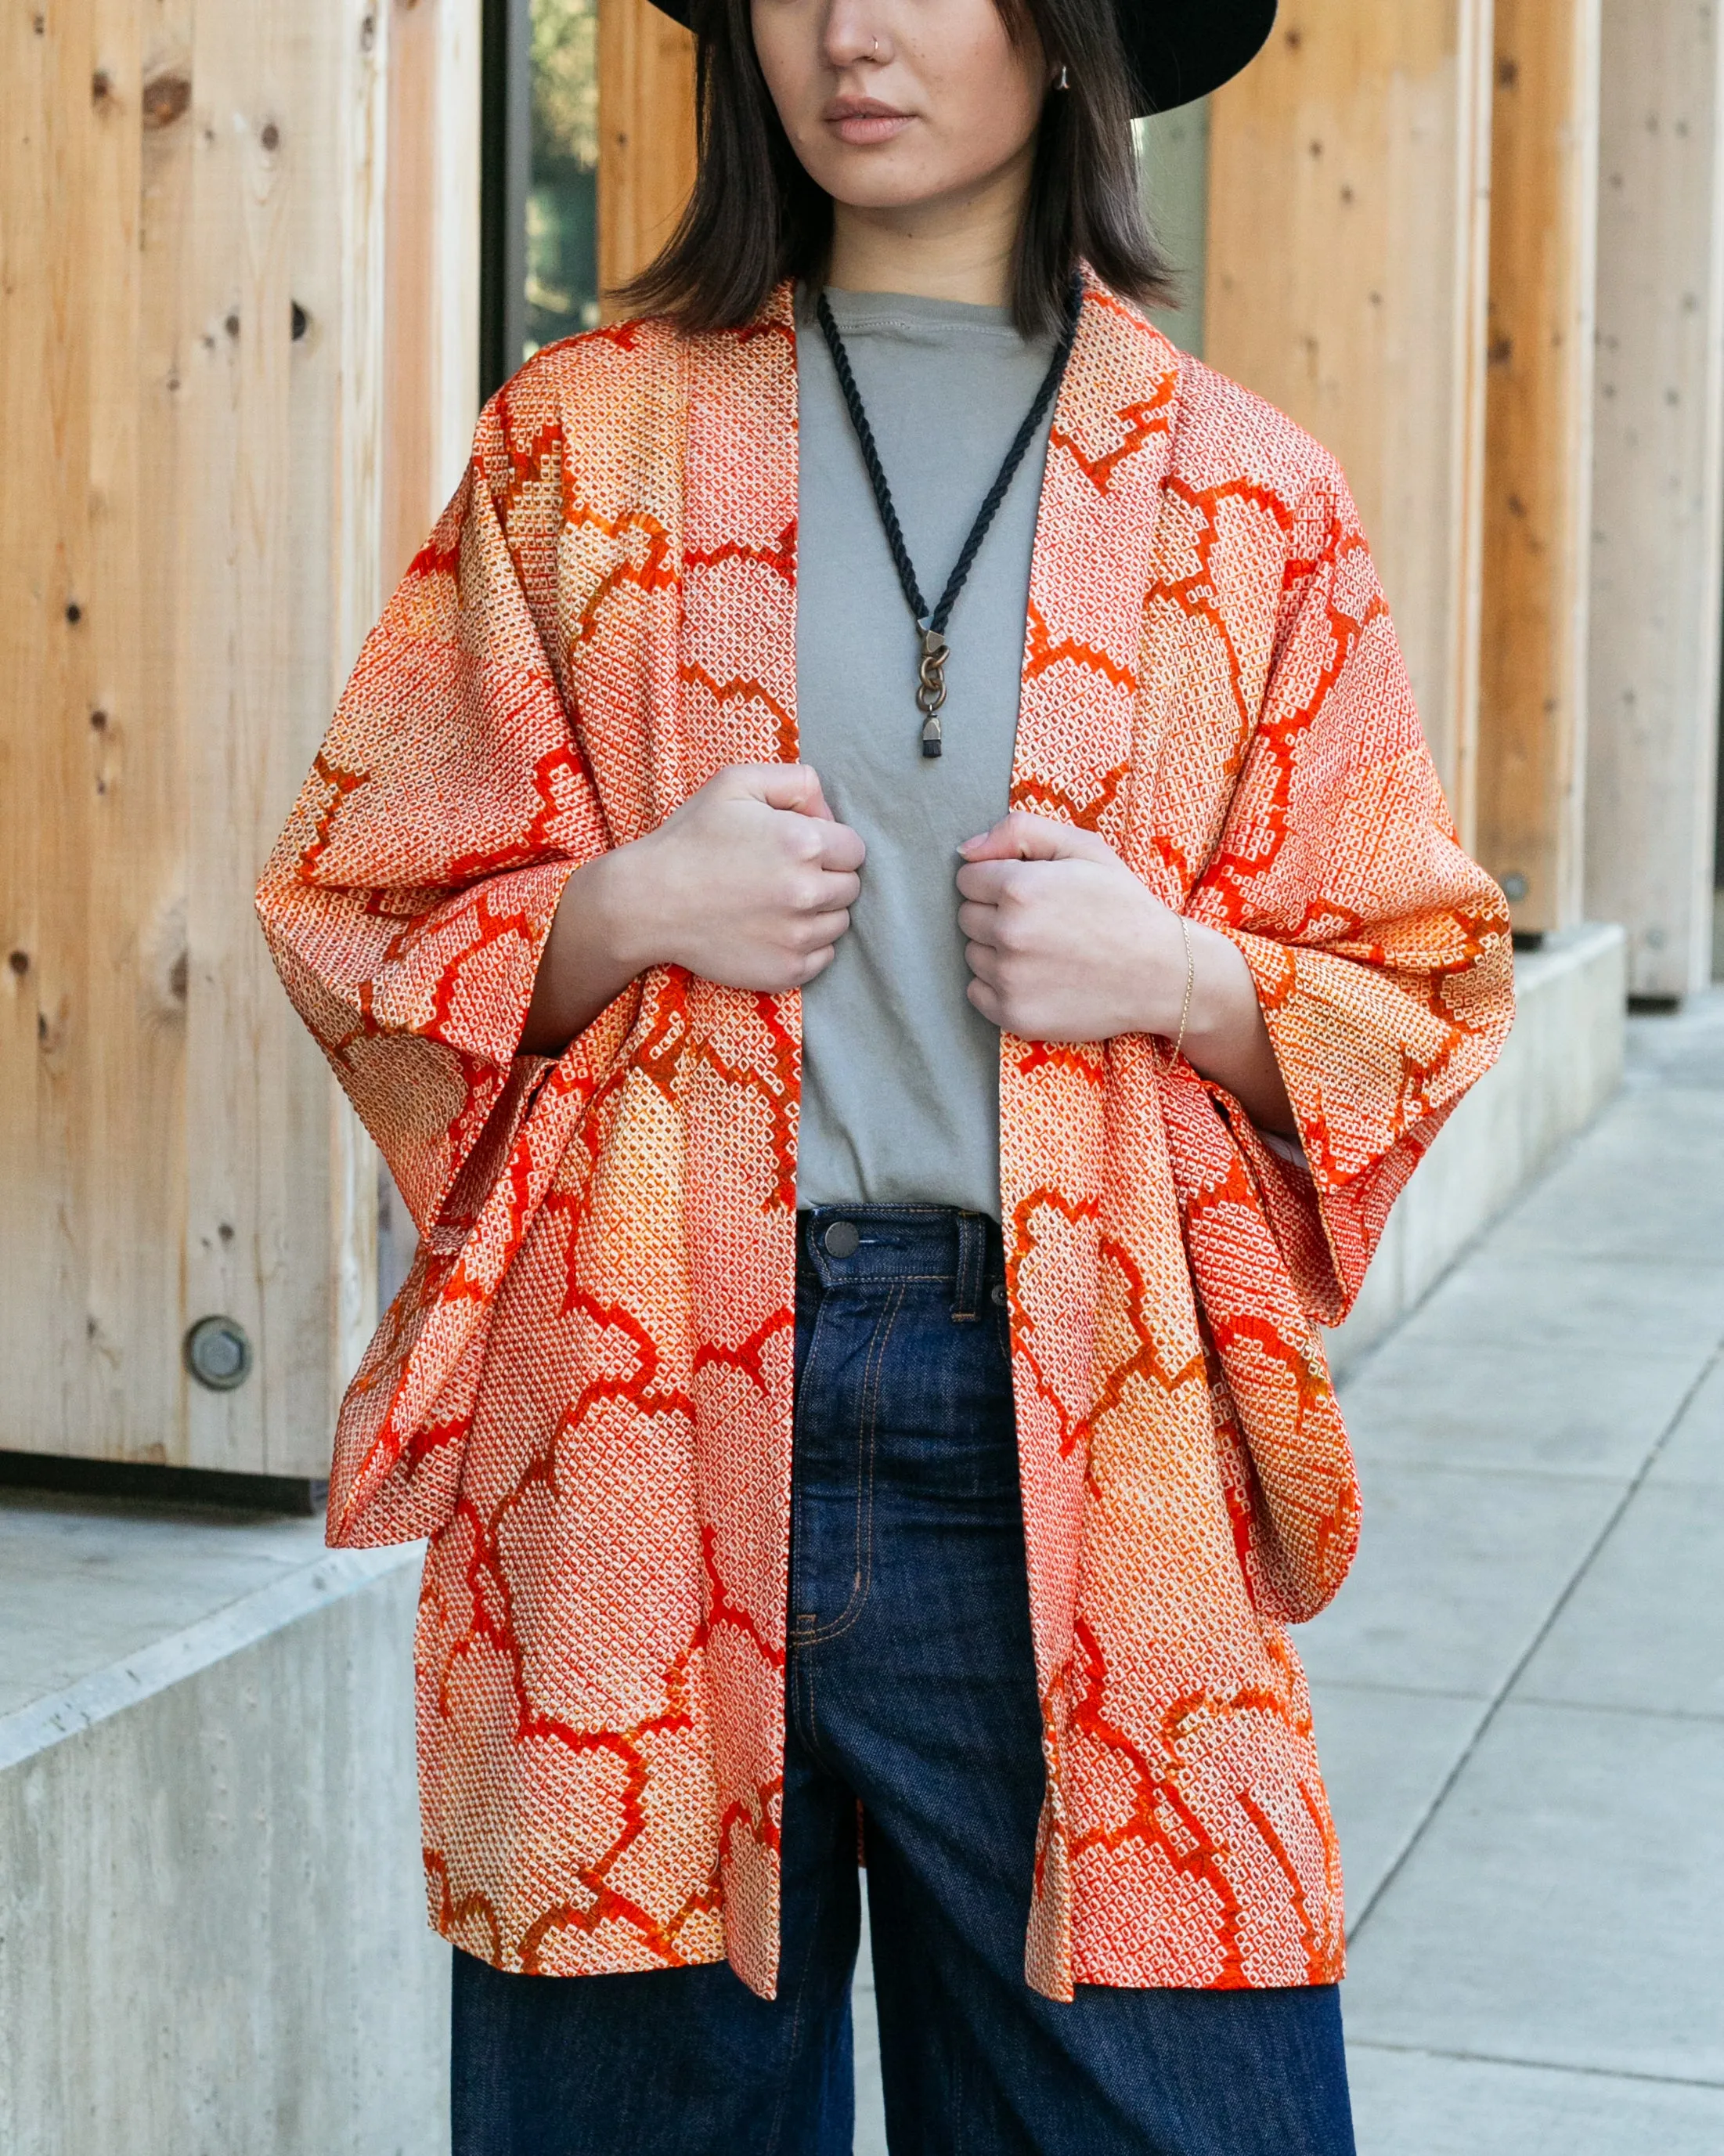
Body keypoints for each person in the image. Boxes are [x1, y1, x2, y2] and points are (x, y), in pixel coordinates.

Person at [258, 0, 1513, 2145]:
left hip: (1079, 1428)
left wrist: (1182, 969)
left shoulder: (1244, 493)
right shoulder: (585, 441)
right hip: (638, 1423)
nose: (852, 30)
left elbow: (1417, 975)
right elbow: (363, 905)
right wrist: (630, 904)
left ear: (1073, 27)